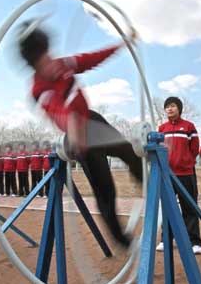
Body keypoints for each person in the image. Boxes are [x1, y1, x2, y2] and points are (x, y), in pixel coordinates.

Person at [18, 21, 142, 248]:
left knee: (129, 152)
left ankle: (149, 186)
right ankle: (121, 239)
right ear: (33, 64)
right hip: (79, 138)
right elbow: (56, 111)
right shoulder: (37, 89)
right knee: (105, 188)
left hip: (92, 120)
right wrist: (72, 126)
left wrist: (123, 44)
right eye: (41, 59)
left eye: (47, 54)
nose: (47, 60)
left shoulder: (62, 64)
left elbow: (92, 58)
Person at [156, 97, 201, 255]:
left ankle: (194, 241)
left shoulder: (189, 126)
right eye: (167, 107)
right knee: (168, 208)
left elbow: (195, 148)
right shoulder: (162, 128)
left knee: (189, 207)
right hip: (167, 174)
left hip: (185, 173)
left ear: (179, 108)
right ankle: (166, 239)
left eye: (173, 106)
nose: (170, 109)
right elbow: (159, 149)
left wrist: (187, 161)